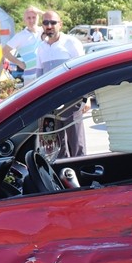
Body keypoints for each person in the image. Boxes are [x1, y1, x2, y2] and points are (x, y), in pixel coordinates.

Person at [36, 11, 87, 156]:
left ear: (60, 24)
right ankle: (62, 175)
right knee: (55, 145)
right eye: (46, 23)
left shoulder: (71, 43)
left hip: (71, 99)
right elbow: (39, 76)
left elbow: (83, 70)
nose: (49, 26)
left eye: (53, 22)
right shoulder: (41, 47)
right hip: (50, 102)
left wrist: (87, 97)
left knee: (76, 142)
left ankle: (82, 174)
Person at [0, 5, 43, 83]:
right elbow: (4, 51)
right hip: (30, 78)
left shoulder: (44, 31)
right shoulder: (19, 36)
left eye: (34, 17)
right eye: (28, 18)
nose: (31, 20)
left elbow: (54, 20)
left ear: (38, 18)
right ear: (24, 20)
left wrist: (40, 12)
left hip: (45, 74)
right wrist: (19, 63)